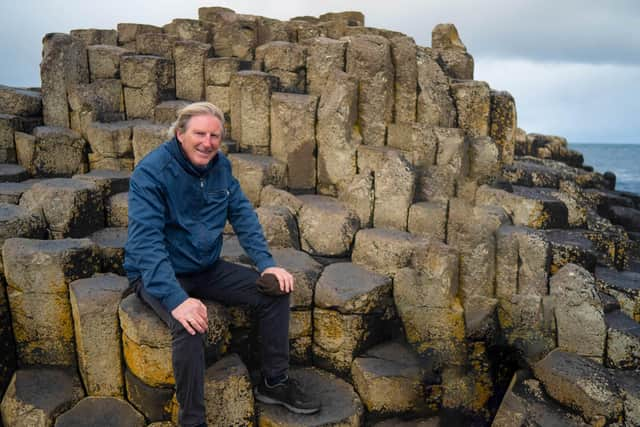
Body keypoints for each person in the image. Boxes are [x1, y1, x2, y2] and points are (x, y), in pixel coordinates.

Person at [124, 102, 320, 427]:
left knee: (275, 291)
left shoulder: (220, 167)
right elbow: (146, 244)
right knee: (189, 325)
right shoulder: (151, 173)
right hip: (158, 271)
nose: (208, 142)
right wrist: (177, 301)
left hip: (205, 267)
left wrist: (266, 264)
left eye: (215, 135)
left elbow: (242, 214)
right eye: (200, 133)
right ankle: (193, 420)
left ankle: (274, 383)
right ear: (180, 134)